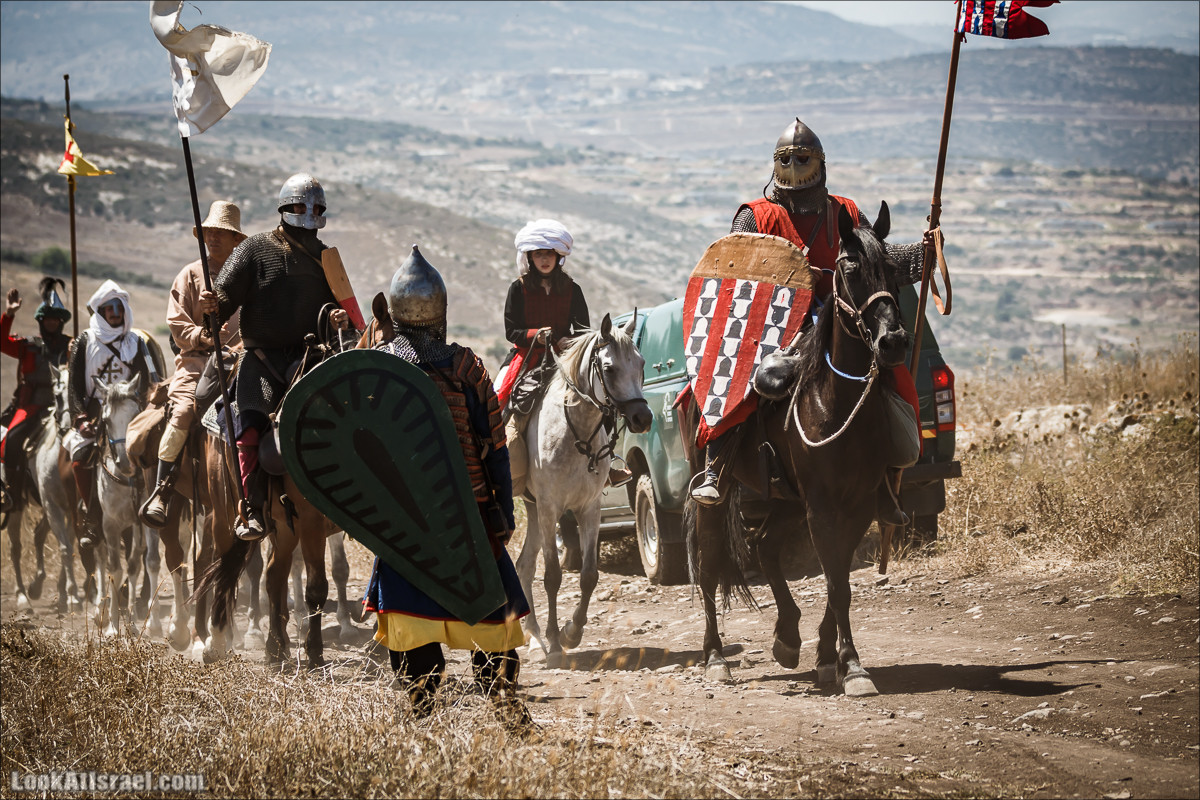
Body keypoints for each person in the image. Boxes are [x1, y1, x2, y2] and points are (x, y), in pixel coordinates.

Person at [690, 117, 931, 526]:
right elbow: (736, 277)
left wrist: (923, 252)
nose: (797, 166)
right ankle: (718, 463)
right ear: (775, 164)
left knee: (892, 380)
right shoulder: (756, 216)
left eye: (804, 158)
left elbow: (877, 261)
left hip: (842, 316)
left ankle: (887, 485)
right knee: (747, 379)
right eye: (788, 158)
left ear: (820, 164)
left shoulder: (847, 211)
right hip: (778, 325)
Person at [363, 244, 532, 728]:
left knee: (416, 633)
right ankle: (500, 714)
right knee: (493, 626)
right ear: (440, 311)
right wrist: (503, 509)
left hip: (404, 523)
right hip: (469, 517)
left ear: (395, 313)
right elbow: (494, 444)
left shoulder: (379, 367)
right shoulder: (465, 367)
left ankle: (424, 718)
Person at [199, 173, 349, 540]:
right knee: (249, 424)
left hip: (310, 357)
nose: (307, 212)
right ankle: (250, 506)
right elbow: (222, 303)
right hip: (262, 360)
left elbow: (342, 308)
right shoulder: (255, 250)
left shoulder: (327, 257)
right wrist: (212, 305)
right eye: (300, 206)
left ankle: (348, 501)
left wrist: (337, 317)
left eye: (314, 207)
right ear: (285, 208)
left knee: (346, 419)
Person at [496, 218, 631, 489]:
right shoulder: (518, 288)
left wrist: (568, 341)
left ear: (559, 256)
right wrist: (536, 335)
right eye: (539, 254)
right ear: (530, 257)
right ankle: (497, 466)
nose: (544, 259)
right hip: (527, 357)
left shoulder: (573, 289)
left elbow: (583, 330)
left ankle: (607, 463)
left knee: (599, 400)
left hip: (566, 359)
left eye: (549, 254)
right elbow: (512, 331)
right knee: (499, 398)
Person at [140, 201, 246, 527]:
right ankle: (162, 489)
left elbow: (258, 324)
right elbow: (176, 323)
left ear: (234, 240)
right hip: (195, 363)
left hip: (237, 366)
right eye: (210, 232)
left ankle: (254, 496)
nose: (214, 238)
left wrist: (237, 351)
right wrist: (202, 335)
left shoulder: (246, 279)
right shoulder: (189, 275)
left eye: (222, 233)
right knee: (184, 411)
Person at [65, 280, 154, 547]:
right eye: (109, 308)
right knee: (81, 456)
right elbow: (74, 386)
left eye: (119, 306)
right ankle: (92, 517)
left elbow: (150, 378)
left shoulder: (136, 341)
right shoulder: (85, 340)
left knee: (155, 450)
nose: (115, 312)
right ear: (101, 312)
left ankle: (158, 504)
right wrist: (80, 418)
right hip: (95, 411)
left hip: (131, 409)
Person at [0, 278, 73, 512]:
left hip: (65, 407)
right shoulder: (27, 346)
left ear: (61, 322)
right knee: (11, 439)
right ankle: (11, 492)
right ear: (41, 321)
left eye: (56, 319)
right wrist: (9, 315)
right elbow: (1, 342)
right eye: (48, 319)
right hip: (31, 406)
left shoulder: (72, 346)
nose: (52, 322)